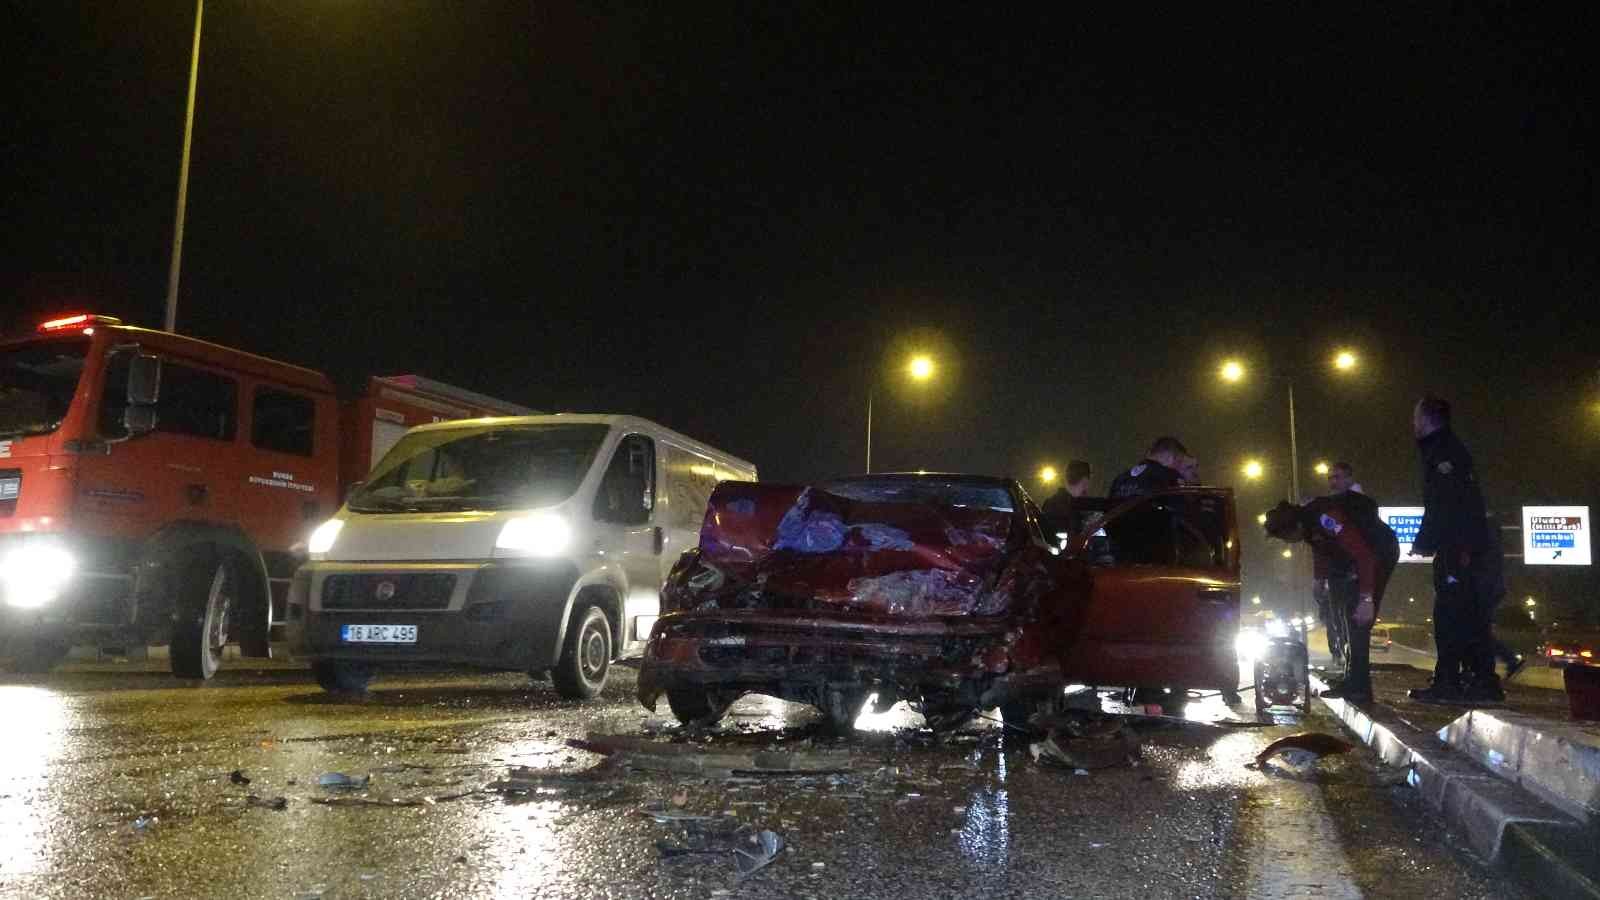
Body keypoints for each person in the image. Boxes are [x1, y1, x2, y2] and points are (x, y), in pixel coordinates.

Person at [1407, 395, 1502, 705]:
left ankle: (1450, 681)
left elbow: (1446, 503)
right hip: (1462, 545)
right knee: (1469, 614)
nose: (1413, 422)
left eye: (1416, 417)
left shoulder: (1444, 452)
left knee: (1450, 615)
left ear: (1429, 419)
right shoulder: (1446, 448)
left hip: (1457, 546)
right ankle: (1480, 680)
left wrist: (1427, 541)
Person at [1264, 495, 1400, 703]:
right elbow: (1321, 550)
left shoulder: (1327, 518)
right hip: (1351, 560)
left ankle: (1360, 688)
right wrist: (1318, 580)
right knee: (1343, 614)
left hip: (1378, 554)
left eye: (1285, 537)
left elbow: (1364, 555)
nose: (1287, 543)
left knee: (1358, 620)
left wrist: (1366, 599)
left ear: (1295, 527)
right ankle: (1351, 679)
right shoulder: (1309, 525)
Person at [1108, 437, 1187, 500]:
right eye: (1179, 462)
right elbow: (1181, 514)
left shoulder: (1120, 479)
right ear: (1171, 458)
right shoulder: (1170, 477)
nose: (1180, 468)